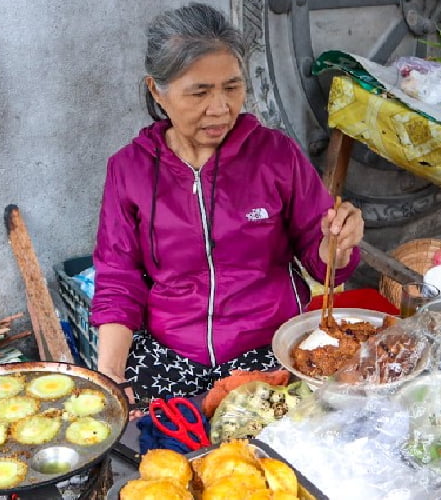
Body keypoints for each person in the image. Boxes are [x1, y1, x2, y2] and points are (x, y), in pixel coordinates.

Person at [90, 3, 364, 408]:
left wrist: (336, 245)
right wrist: (110, 374)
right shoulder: (128, 169)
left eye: (232, 87)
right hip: (171, 352)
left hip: (271, 345)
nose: (220, 108)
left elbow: (321, 258)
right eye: (199, 92)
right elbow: (118, 277)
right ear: (157, 91)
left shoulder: (276, 155)